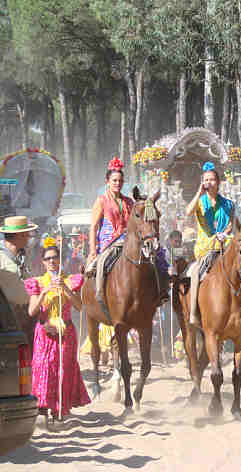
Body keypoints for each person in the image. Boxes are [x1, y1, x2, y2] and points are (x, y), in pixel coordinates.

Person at [25, 239, 90, 423]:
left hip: (66, 333)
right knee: (44, 368)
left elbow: (79, 307)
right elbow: (32, 311)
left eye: (55, 257)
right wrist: (44, 292)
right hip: (44, 332)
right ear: (43, 262)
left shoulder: (70, 280)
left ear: (60, 260)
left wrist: (66, 289)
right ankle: (42, 408)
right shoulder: (37, 283)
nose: (52, 261)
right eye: (48, 258)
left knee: (63, 370)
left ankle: (59, 409)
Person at [185, 162, 235, 326]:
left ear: (218, 182)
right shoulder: (200, 202)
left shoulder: (228, 204)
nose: (209, 183)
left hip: (225, 243)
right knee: (196, 271)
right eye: (206, 180)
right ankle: (193, 311)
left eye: (212, 179)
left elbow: (230, 225)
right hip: (205, 246)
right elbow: (188, 212)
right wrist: (199, 192)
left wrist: (224, 234)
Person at [87, 157, 134, 266]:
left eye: (121, 181)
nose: (118, 183)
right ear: (107, 182)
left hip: (128, 243)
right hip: (108, 245)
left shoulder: (129, 201)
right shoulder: (101, 201)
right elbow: (93, 227)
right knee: (98, 268)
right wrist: (93, 251)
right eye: (115, 180)